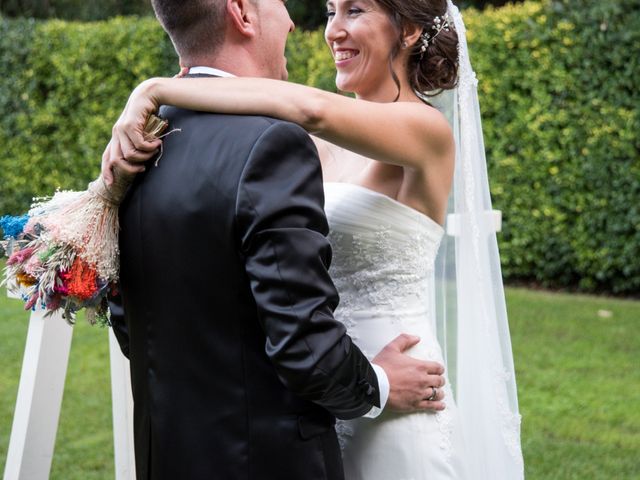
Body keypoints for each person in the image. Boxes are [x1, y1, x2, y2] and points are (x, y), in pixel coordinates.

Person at [105, 0, 525, 478]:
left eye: (355, 11)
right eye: (330, 12)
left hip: (398, 385)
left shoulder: (426, 130)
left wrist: (154, 89)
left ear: (408, 31)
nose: (334, 31)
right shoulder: (311, 141)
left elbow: (307, 106)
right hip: (319, 389)